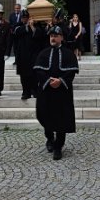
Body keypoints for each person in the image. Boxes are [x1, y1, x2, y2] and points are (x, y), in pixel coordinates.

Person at [34, 25, 79, 160]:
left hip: (62, 93)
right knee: (45, 115)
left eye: (55, 36)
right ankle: (49, 139)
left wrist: (60, 81)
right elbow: (39, 71)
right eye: (51, 36)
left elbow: (71, 72)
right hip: (46, 91)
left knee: (61, 118)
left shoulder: (68, 54)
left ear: (61, 38)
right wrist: (48, 81)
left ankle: (58, 146)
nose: (52, 38)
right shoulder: (43, 53)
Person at [13, 10, 46, 100]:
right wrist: (27, 26)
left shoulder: (35, 27)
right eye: (23, 18)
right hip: (22, 56)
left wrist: (31, 26)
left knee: (34, 74)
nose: (25, 19)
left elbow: (39, 35)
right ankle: (26, 92)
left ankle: (34, 90)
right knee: (24, 76)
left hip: (33, 55)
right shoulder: (18, 26)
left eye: (26, 18)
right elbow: (16, 32)